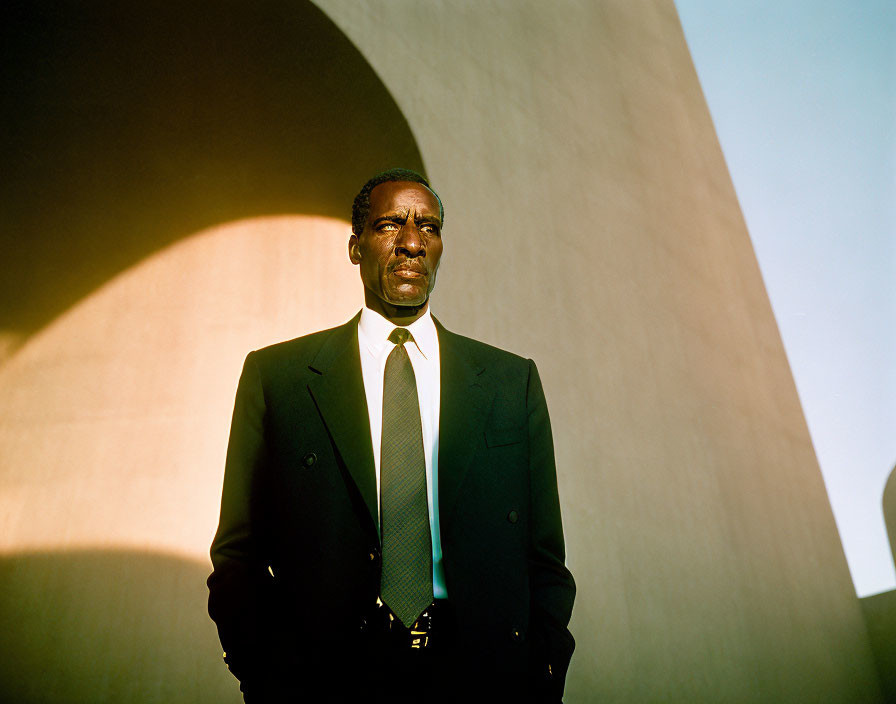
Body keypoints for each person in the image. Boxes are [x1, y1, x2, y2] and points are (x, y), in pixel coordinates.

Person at [208, 168, 575, 702]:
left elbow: (544, 555)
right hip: (327, 678)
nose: (411, 243)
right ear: (355, 247)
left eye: (428, 227)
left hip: (480, 677)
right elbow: (237, 553)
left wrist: (541, 669)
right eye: (390, 225)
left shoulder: (509, 383)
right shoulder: (279, 379)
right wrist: (265, 672)